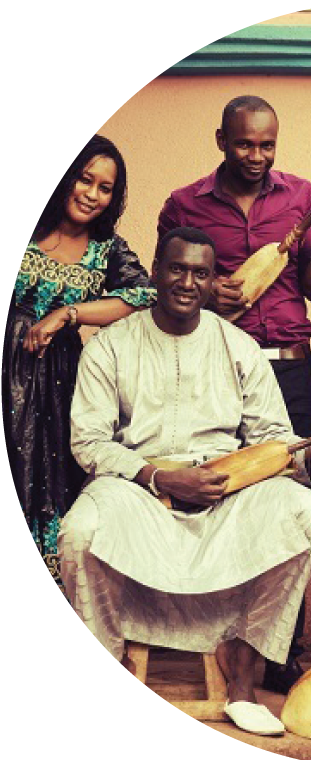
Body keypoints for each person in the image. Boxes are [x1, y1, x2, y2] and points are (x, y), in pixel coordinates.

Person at [58, 227, 311, 736]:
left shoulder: (237, 346)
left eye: (201, 272)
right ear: (155, 270)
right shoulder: (111, 345)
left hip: (224, 489)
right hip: (139, 488)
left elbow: (274, 438)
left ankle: (240, 674)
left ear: (214, 278)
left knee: (305, 513)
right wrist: (158, 475)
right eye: (177, 269)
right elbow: (88, 442)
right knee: (80, 530)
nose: (187, 282)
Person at [157, 94, 311, 692]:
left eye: (268, 144)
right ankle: (213, 644)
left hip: (290, 371)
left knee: (290, 503)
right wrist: (208, 289)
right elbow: (168, 279)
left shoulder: (300, 196)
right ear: (221, 140)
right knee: (217, 497)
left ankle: (276, 652)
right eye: (245, 143)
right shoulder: (184, 204)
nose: (257, 156)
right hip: (218, 368)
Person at [4, 135, 156, 574]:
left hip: (57, 391)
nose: (91, 194)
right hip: (4, 378)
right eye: (84, 179)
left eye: (105, 188)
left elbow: (144, 295)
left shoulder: (106, 249)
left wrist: (69, 313)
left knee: (49, 490)